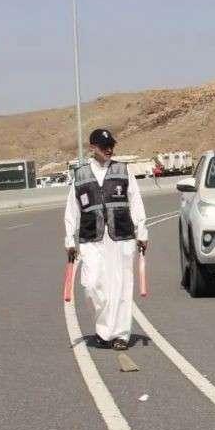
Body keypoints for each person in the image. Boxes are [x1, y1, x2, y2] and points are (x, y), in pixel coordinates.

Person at [64, 128, 149, 349]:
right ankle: (103, 329)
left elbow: (136, 201)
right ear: (93, 148)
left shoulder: (123, 171)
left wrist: (142, 230)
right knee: (91, 286)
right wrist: (69, 239)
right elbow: (72, 210)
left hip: (121, 237)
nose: (109, 149)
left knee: (121, 286)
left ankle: (119, 334)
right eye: (104, 146)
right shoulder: (80, 175)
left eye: (111, 145)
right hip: (91, 238)